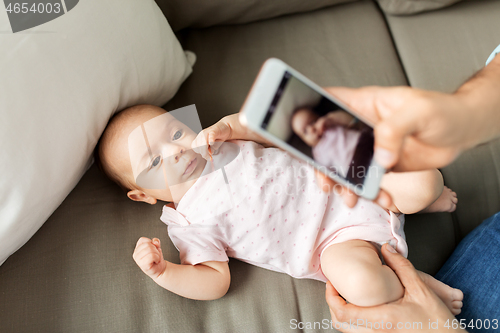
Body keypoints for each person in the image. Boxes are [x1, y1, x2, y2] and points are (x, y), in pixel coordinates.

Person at [96, 105, 461, 311]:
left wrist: (228, 125)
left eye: (175, 134)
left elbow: (270, 125)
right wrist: (164, 272)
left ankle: (422, 200)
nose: (176, 151)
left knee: (424, 181)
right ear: (143, 195)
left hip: (348, 182)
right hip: (332, 244)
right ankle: (413, 283)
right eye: (155, 161)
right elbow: (214, 280)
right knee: (362, 285)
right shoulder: (188, 222)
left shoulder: (217, 141)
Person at [321, 47, 500, 332]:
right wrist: (465, 111)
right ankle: (414, 273)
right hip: (343, 221)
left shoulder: (224, 145)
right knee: (424, 182)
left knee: (365, 283)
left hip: (341, 221)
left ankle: (412, 280)